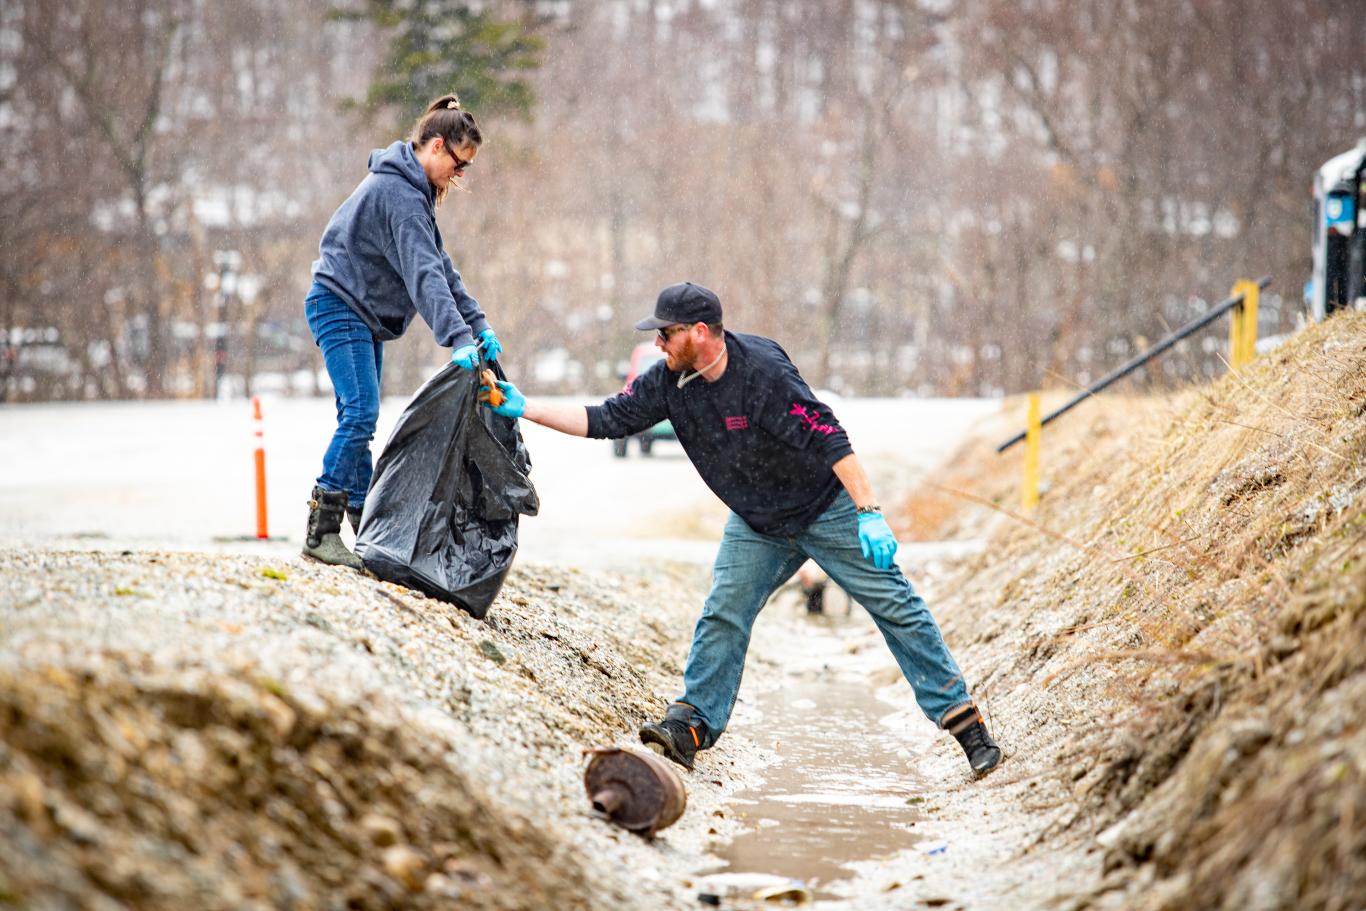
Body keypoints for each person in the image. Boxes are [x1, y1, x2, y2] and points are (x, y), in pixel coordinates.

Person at [480, 282, 1003, 777]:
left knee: (895, 604)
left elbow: (829, 436)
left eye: (667, 333)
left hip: (825, 508)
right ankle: (691, 726)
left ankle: (966, 726)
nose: (658, 342)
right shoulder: (668, 382)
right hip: (757, 523)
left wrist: (868, 510)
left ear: (700, 331)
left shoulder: (763, 373)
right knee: (724, 612)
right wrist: (525, 406)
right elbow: (607, 419)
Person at [301, 93, 504, 569]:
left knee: (359, 417)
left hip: (360, 314)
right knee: (359, 415)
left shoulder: (414, 192)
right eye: (459, 164)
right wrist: (455, 339)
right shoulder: (400, 195)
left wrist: (477, 326)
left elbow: (442, 269)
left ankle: (365, 526)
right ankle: (321, 528)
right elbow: (423, 277)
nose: (460, 175)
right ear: (436, 147)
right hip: (339, 305)